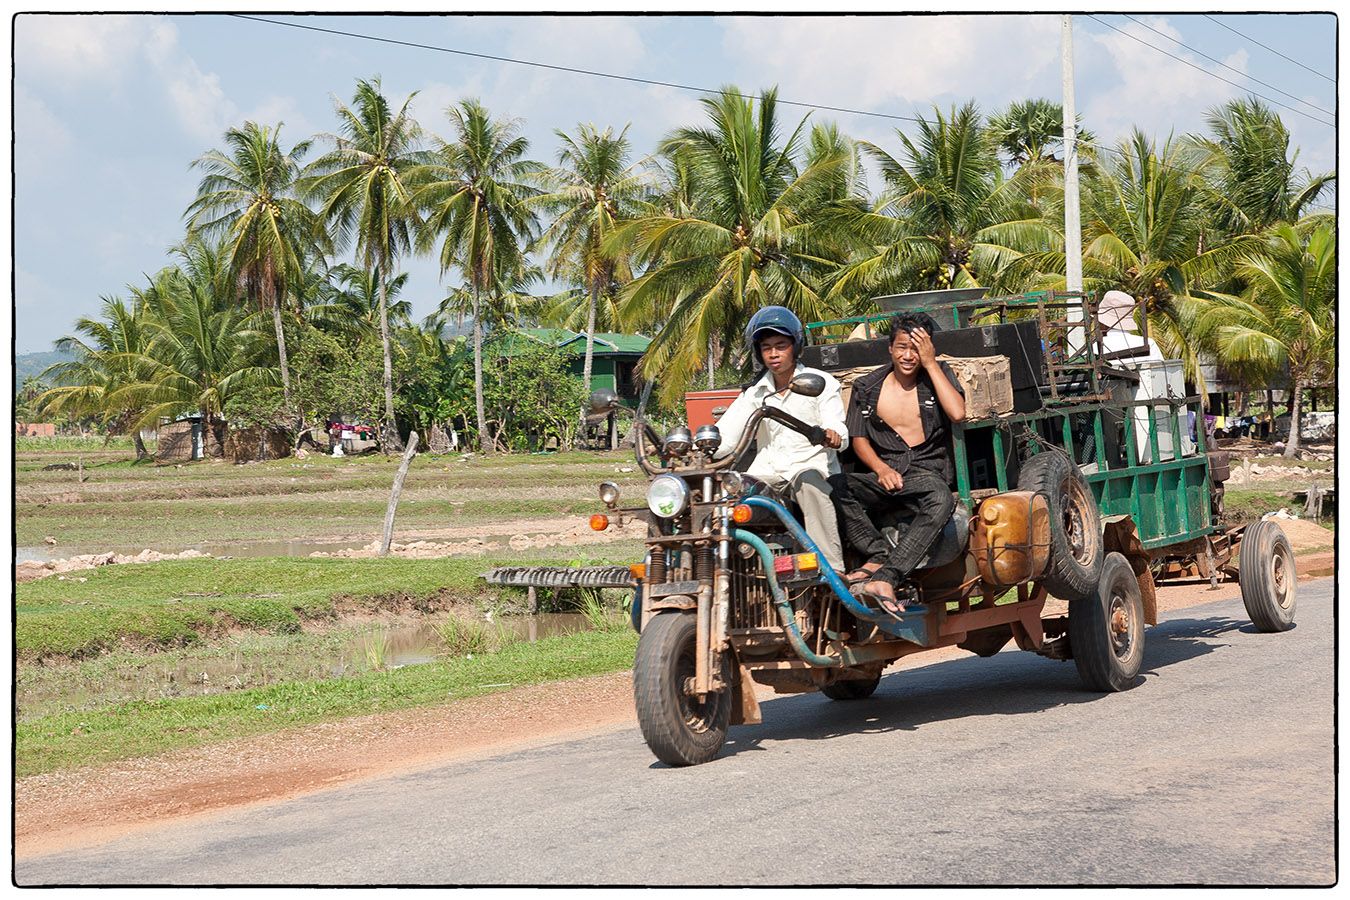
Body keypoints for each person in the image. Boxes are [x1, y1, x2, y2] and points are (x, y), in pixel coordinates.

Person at [833, 312, 966, 614]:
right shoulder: (866, 387)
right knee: (835, 485)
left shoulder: (938, 374)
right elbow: (858, 439)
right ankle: (877, 554)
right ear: (890, 348)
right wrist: (880, 469)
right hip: (885, 473)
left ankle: (887, 577)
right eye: (902, 347)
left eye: (916, 348)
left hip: (927, 472)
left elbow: (958, 413)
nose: (908, 356)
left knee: (940, 498)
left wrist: (931, 363)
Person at [713, 306, 849, 574]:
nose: (773, 354)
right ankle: (721, 569)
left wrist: (833, 436)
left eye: (780, 345)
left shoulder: (820, 382)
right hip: (768, 472)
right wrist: (699, 446)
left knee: (808, 482)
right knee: (721, 498)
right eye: (766, 347)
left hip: (811, 469)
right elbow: (726, 436)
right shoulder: (755, 393)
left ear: (795, 347)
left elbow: (838, 430)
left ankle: (832, 571)